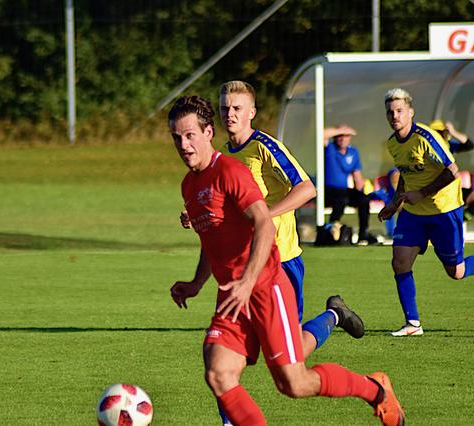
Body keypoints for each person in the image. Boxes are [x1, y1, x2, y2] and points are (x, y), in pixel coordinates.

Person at [168, 95, 404, 426]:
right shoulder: (189, 185)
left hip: (264, 287)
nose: (183, 144)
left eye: (190, 134)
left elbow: (263, 223)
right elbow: (211, 241)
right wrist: (196, 283)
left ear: (208, 132)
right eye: (177, 137)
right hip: (233, 295)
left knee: (294, 383)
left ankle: (374, 389)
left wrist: (248, 281)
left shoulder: (230, 171)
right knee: (219, 373)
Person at [378, 88, 474, 337]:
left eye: (400, 111)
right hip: (413, 214)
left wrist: (421, 193)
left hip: (444, 211)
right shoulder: (393, 143)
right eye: (391, 112)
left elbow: (452, 170)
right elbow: (406, 173)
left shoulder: (426, 136)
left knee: (455, 272)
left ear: (410, 112)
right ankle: (413, 324)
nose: (395, 116)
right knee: (400, 262)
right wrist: (395, 202)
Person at [324, 125, 378, 245]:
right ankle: (332, 228)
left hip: (343, 190)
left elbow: (357, 175)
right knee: (341, 198)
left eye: (346, 136)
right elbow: (321, 134)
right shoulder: (330, 148)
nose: (342, 139)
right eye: (340, 136)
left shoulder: (353, 152)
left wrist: (360, 193)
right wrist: (340, 130)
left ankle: (363, 235)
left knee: (363, 199)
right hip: (328, 191)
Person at [428, 119, 474, 221]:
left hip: (451, 188)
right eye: (436, 133)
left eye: (442, 133)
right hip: (436, 191)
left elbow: (469, 145)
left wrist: (453, 132)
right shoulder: (426, 148)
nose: (440, 136)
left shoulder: (448, 146)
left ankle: (461, 219)